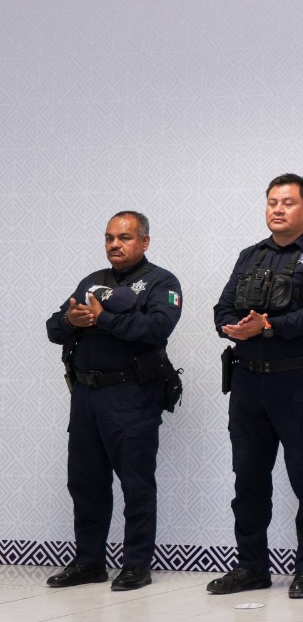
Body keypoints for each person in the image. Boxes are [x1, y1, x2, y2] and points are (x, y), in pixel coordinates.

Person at [209, 174, 303, 600]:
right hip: (248, 383)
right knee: (248, 480)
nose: (278, 209)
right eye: (272, 202)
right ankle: (251, 567)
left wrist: (267, 326)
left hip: (299, 383)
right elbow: (222, 308)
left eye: (287, 202)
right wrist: (233, 327)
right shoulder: (250, 255)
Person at [44, 211, 183, 592]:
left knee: (136, 483)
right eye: (109, 238)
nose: (114, 245)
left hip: (132, 395)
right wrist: (72, 320)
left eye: (124, 238)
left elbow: (156, 327)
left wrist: (102, 319)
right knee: (85, 482)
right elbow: (53, 327)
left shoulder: (162, 282)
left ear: (144, 241)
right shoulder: (92, 281)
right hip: (86, 395)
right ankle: (88, 563)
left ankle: (136, 565)